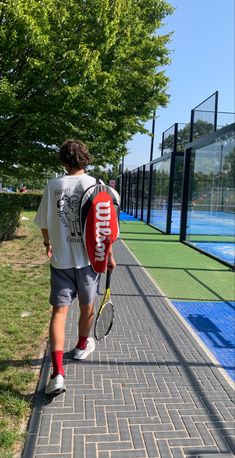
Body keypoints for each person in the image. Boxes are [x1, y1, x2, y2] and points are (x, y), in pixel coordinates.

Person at [34, 139, 116, 395]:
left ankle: (57, 373)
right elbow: (105, 229)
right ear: (86, 159)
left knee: (59, 312)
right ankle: (82, 345)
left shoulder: (53, 185)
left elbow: (44, 221)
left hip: (61, 261)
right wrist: (109, 255)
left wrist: (48, 242)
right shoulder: (96, 185)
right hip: (88, 261)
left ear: (62, 160)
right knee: (86, 307)